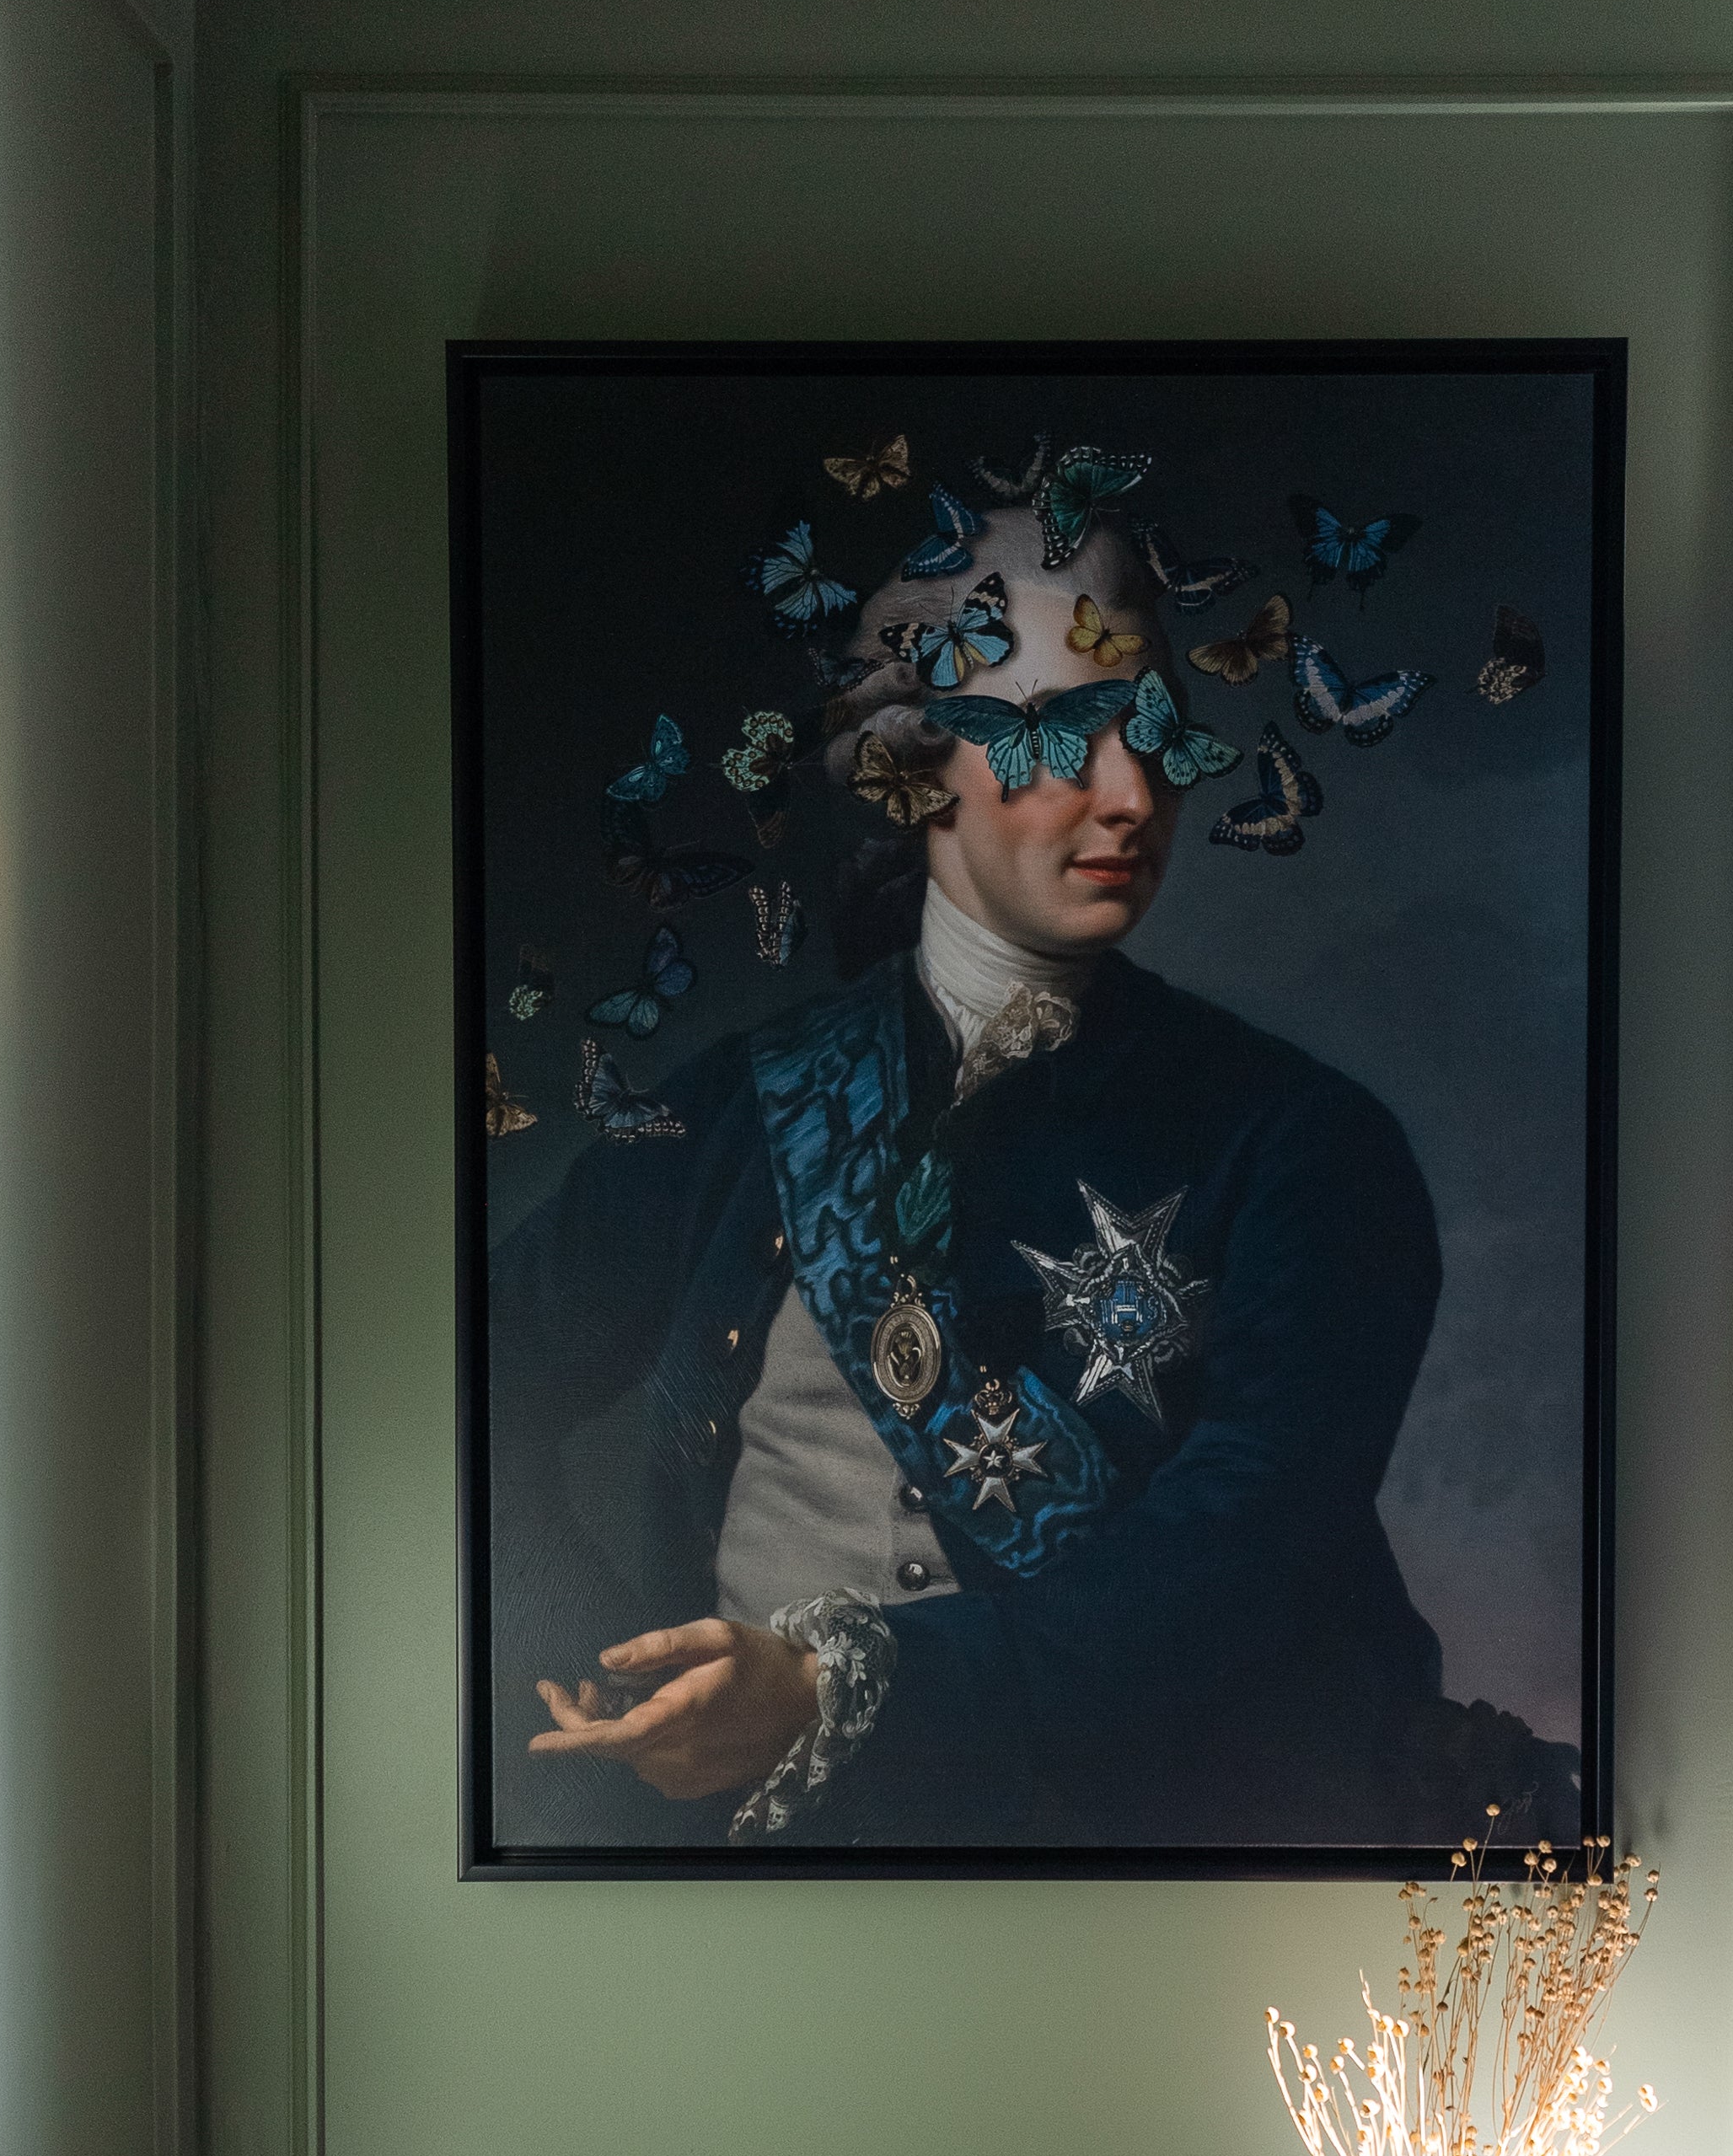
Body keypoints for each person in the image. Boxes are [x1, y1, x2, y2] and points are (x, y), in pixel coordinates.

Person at [487, 501, 1571, 1850]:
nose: (1132, 792)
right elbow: (465, 1385)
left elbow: (1234, 1565)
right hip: (753, 1895)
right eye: (1062, 728)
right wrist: (604, 1679)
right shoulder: (738, 1109)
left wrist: (838, 1698)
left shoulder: (1308, 1145)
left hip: (1154, 1897)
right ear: (914, 767)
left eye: (1156, 726)